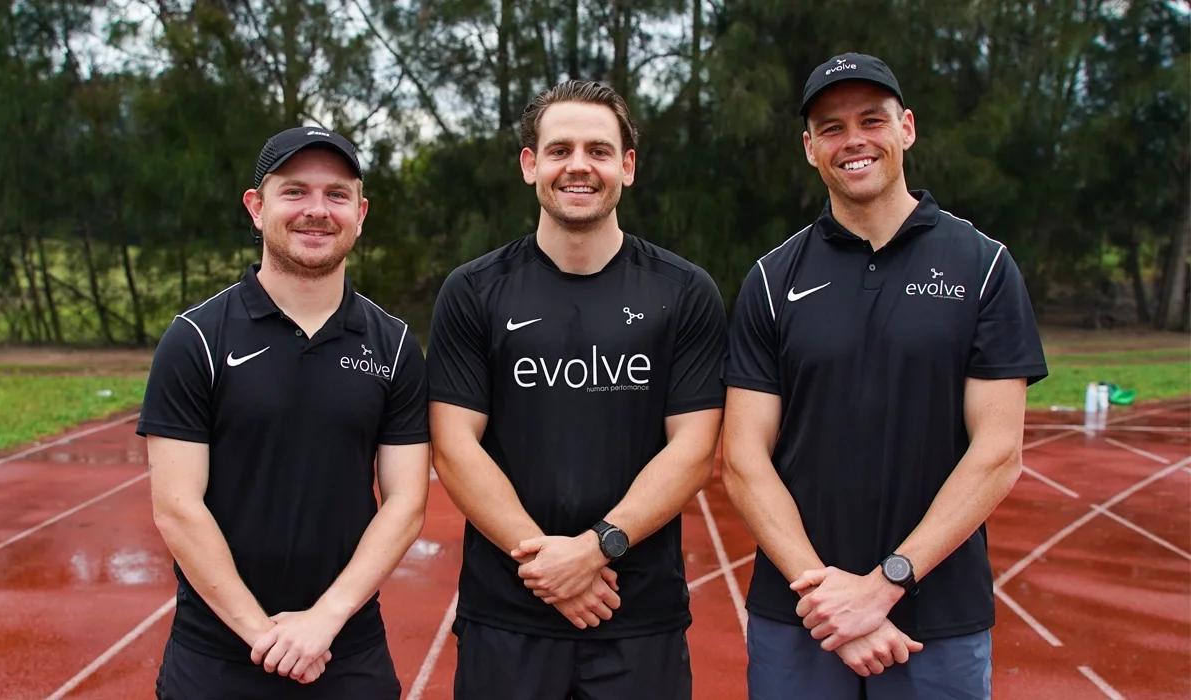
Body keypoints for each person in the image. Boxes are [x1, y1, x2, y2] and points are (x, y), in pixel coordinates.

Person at [721, 52, 1049, 699]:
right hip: (801, 619)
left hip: (937, 619)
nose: (855, 141)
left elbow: (998, 453)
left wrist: (883, 586)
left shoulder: (983, 267)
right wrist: (831, 602)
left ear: (907, 128)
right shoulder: (770, 279)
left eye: (872, 120)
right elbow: (742, 458)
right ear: (810, 147)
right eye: (833, 128)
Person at [425, 79, 728, 699]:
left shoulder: (685, 291)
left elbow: (693, 449)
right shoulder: (473, 291)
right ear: (531, 166)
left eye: (598, 149)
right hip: (507, 614)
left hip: (637, 615)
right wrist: (547, 565)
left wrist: (596, 549)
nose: (579, 166)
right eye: (560, 150)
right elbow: (455, 446)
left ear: (628, 166)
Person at [137, 126, 431, 699]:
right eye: (294, 191)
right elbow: (177, 507)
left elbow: (406, 502)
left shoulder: (394, 346)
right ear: (257, 207)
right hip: (217, 651)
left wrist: (324, 620)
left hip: (346, 647)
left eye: (336, 194)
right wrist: (263, 634)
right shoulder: (194, 339)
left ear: (360, 212)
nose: (316, 210)